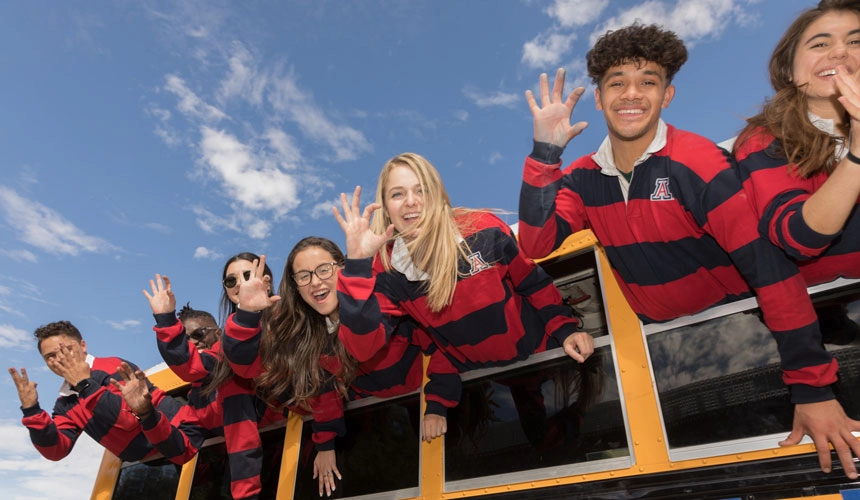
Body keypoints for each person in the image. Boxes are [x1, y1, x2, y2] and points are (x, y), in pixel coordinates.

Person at [517, 22, 858, 479]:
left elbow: (770, 269)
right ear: (598, 98)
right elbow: (537, 242)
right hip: (665, 357)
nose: (631, 95)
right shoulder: (581, 176)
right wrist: (545, 154)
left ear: (668, 96)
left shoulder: (694, 161)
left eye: (648, 82)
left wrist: (813, 387)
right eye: (616, 83)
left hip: (739, 341)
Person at [331, 152, 595, 444]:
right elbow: (365, 349)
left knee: (579, 434)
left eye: (422, 190)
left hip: (548, 357)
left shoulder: (482, 227)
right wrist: (357, 265)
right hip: (488, 384)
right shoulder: (387, 270)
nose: (411, 201)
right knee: (537, 444)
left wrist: (565, 328)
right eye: (397, 194)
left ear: (438, 194)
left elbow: (532, 282)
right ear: (386, 209)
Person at [224, 238, 426, 498]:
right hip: (381, 428)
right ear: (295, 287)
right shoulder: (306, 335)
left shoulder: (380, 297)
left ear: (342, 268)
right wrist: (247, 313)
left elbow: (434, 340)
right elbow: (247, 367)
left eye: (324, 269)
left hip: (439, 401)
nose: (316, 282)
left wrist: (437, 399)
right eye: (304, 276)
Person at [733, 1, 860, 294]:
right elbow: (798, 238)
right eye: (819, 44)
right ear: (788, 69)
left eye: (855, 41)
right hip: (820, 306)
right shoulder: (764, 139)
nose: (840, 52)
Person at [139, 253, 278, 500]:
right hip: (271, 468)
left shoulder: (290, 323)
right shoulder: (205, 389)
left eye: (248, 275)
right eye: (231, 281)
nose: (240, 284)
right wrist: (146, 414)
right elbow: (182, 448)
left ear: (266, 281)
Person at [8, 320, 181, 462]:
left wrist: (84, 384)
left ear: (83, 346)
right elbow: (56, 451)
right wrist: (32, 411)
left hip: (188, 439)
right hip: (157, 462)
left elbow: (131, 419)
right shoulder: (65, 403)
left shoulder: (111, 366)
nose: (59, 359)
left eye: (65, 349)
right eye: (50, 357)